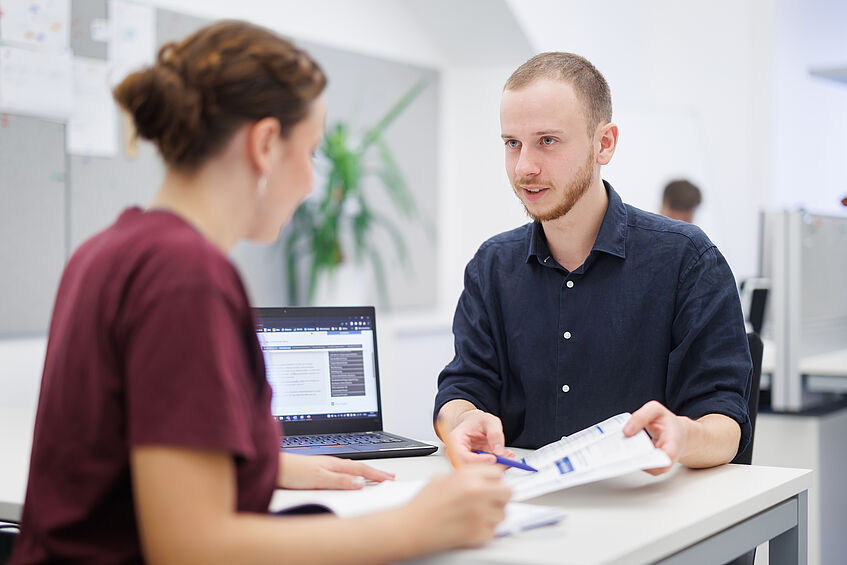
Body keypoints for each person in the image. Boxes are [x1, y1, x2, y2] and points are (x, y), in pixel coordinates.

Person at [10, 21, 509, 565]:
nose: (313, 182)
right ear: (265, 143)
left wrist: (263, 464)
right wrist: (415, 526)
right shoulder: (186, 277)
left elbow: (125, 457)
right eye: (312, 152)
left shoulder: (108, 249)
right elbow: (190, 547)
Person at [434, 52, 752, 475]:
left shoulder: (686, 259)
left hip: (652, 510)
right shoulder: (492, 266)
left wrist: (682, 435)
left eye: (547, 141)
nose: (524, 166)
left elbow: (725, 421)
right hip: (522, 510)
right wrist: (462, 418)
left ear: (604, 144)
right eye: (513, 143)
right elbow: (461, 388)